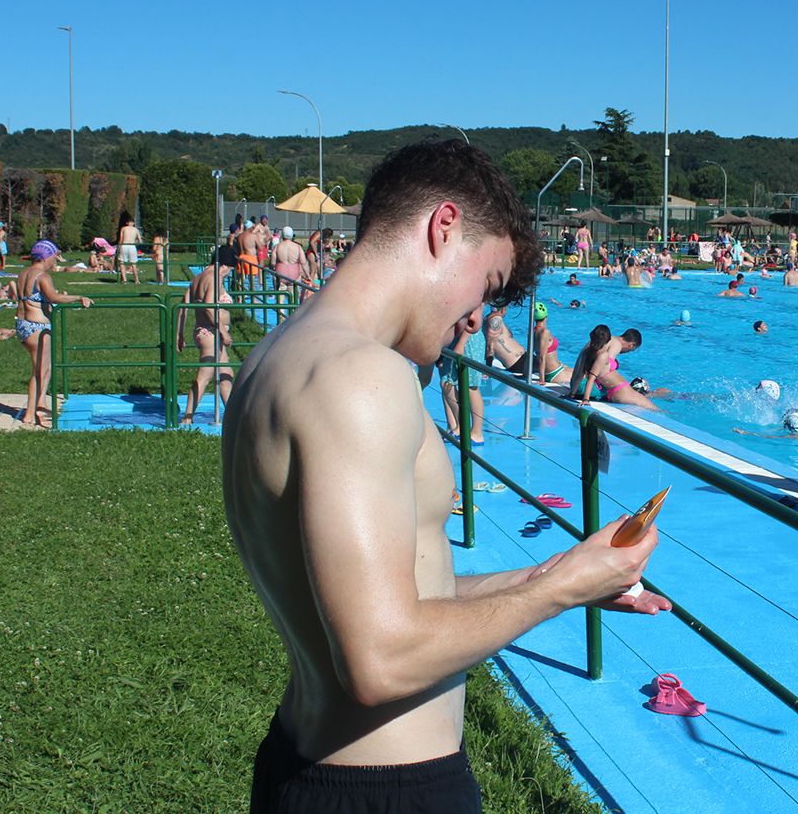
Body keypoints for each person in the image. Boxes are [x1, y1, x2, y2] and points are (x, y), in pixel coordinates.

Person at [222, 140, 669, 812]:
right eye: (487, 286)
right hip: (384, 788)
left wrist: (561, 575)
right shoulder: (358, 377)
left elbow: (399, 598)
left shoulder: (278, 357)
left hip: (309, 763)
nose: (475, 319)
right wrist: (562, 591)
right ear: (444, 226)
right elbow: (380, 661)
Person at [15, 240, 94, 426]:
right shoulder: (42, 276)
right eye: (54, 257)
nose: (55, 261)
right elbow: (53, 297)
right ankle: (30, 413)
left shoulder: (23, 273)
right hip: (38, 328)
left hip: (22, 325)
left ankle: (40, 404)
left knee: (46, 368)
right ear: (46, 257)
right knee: (38, 372)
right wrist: (78, 297)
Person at [176, 245, 238, 425]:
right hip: (211, 332)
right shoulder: (214, 278)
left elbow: (182, 308)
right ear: (225, 265)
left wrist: (180, 334)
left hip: (204, 332)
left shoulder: (197, 278)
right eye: (230, 270)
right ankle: (187, 418)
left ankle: (233, 417)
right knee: (204, 376)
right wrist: (223, 331)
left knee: (226, 374)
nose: (229, 274)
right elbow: (209, 307)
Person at [571, 325, 657, 410]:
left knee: (646, 399)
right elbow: (597, 374)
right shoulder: (613, 347)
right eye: (632, 349)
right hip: (616, 389)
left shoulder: (591, 348)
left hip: (578, 383)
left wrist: (572, 393)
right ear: (631, 345)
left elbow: (587, 371)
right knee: (653, 408)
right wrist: (586, 399)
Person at [438, 322, 486, 445]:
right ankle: (460, 426)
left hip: (469, 340)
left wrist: (461, 344)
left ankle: (477, 432)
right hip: (454, 338)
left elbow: (472, 320)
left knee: (471, 386)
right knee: (446, 382)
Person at [271, 226, 309, 302]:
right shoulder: (297, 247)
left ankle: (281, 313)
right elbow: (304, 263)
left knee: (280, 302)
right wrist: (308, 275)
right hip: (294, 278)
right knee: (294, 301)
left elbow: (272, 263)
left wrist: (273, 270)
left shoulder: (277, 247)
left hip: (280, 277)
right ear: (292, 235)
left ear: (282, 235)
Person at [117, 211, 142, 284]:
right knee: (133, 264)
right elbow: (140, 241)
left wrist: (118, 247)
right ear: (133, 223)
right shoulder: (136, 230)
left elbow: (121, 239)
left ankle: (124, 279)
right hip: (132, 246)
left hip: (124, 245)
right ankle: (137, 280)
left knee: (122, 263)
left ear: (127, 223)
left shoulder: (124, 228)